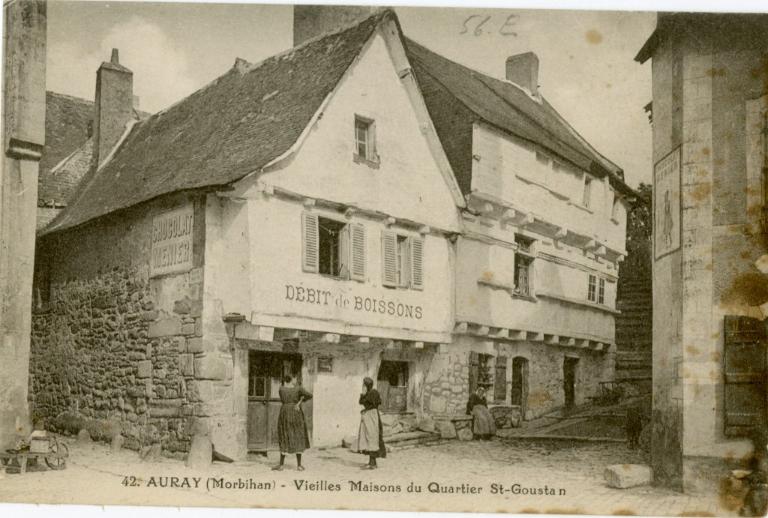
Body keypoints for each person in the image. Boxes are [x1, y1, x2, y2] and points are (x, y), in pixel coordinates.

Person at [272, 375, 312, 471]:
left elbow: (284, 399)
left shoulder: (281, 389)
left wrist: (299, 400)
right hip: (296, 412)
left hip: (285, 412)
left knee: (284, 435)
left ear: (284, 381)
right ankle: (299, 465)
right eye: (294, 378)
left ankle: (281, 465)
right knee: (298, 435)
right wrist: (300, 401)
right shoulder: (298, 389)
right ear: (292, 380)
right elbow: (310, 395)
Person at [356, 377, 386, 469]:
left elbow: (372, 404)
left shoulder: (373, 392)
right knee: (368, 438)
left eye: (364, 384)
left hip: (372, 417)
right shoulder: (367, 393)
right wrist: (362, 394)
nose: (363, 386)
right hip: (367, 417)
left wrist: (365, 408)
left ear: (367, 385)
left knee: (372, 438)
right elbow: (361, 402)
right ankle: (371, 462)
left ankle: (373, 464)